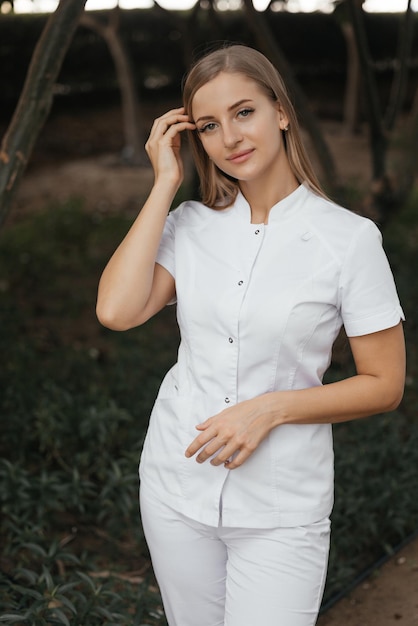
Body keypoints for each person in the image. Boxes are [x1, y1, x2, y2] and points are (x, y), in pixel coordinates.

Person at [96, 44, 406, 626]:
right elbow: (116, 311)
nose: (230, 137)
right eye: (209, 125)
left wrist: (270, 409)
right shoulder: (189, 226)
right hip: (174, 487)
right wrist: (165, 183)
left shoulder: (349, 239)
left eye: (244, 113)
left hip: (281, 507)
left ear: (280, 112)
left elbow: (385, 385)